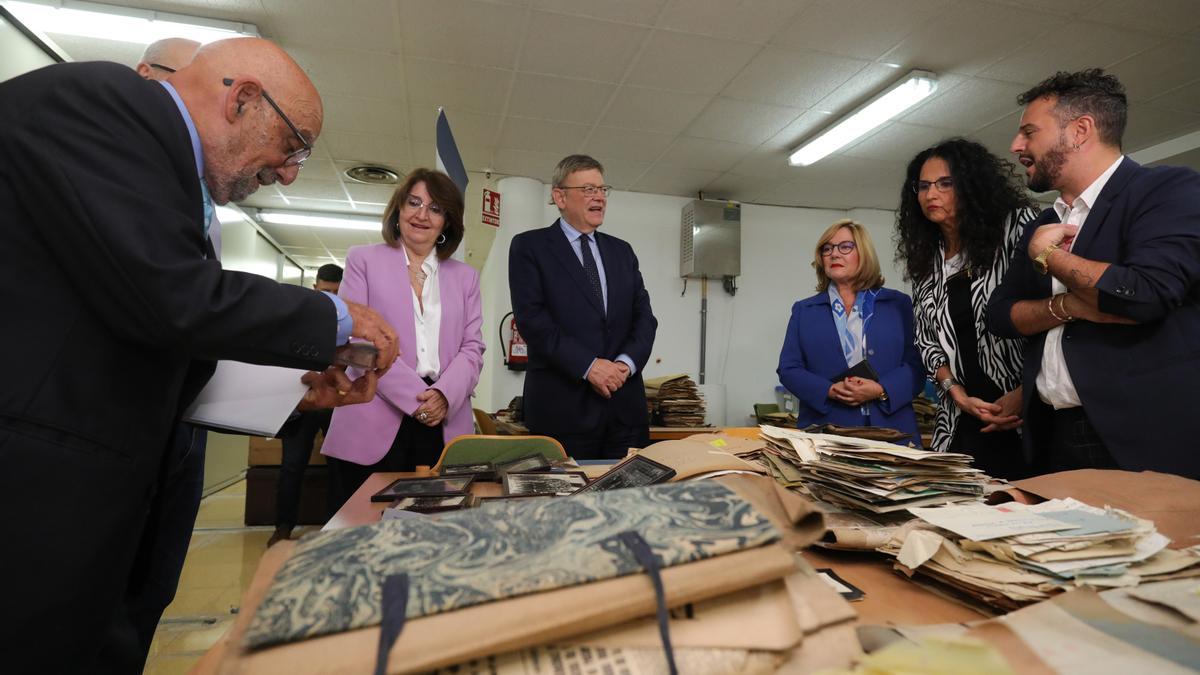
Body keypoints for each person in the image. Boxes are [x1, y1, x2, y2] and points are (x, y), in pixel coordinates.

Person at [0, 38, 400, 673]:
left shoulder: (179, 186)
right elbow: (169, 295)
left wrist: (293, 388)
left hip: (99, 503)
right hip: (32, 501)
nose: (291, 172)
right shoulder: (102, 102)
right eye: (293, 145)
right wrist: (335, 316)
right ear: (242, 99)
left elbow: (157, 340)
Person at [987, 68, 1200, 479]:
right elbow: (999, 315)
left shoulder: (1169, 189)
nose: (1016, 146)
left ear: (1080, 130)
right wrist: (1070, 306)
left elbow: (1146, 293)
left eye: (1029, 132)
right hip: (1052, 434)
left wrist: (1048, 256)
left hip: (1142, 440)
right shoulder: (1042, 222)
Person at [322, 169, 485, 509]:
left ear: (447, 222)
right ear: (398, 209)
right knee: (361, 538)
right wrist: (418, 401)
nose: (422, 214)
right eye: (414, 202)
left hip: (444, 421)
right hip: (373, 415)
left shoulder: (466, 277)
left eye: (436, 208)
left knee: (436, 535)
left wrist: (443, 395)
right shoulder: (363, 260)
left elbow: (473, 347)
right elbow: (356, 342)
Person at [895, 138, 1039, 477]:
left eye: (945, 184)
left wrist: (1025, 392)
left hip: (1022, 414)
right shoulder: (927, 259)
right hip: (960, 418)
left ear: (972, 185)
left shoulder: (1017, 229)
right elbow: (927, 342)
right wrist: (955, 392)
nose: (931, 195)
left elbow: (1050, 317)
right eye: (924, 186)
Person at [508, 154, 658, 460]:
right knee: (566, 506)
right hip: (563, 413)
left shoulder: (622, 251)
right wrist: (590, 366)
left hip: (625, 411)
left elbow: (644, 317)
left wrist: (624, 365)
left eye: (603, 190)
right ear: (560, 196)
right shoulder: (530, 247)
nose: (599, 198)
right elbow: (533, 321)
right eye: (589, 189)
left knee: (630, 503)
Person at [778, 220, 925, 445]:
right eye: (827, 249)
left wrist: (880, 389)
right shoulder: (804, 310)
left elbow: (916, 365)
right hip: (827, 431)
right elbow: (788, 369)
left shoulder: (898, 304)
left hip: (892, 430)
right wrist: (829, 390)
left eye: (845, 247)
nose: (834, 254)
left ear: (863, 253)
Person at [270, 263, 344, 547]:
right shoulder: (297, 317)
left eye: (338, 292)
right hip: (301, 402)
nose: (332, 298)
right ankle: (283, 528)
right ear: (315, 288)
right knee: (291, 466)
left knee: (339, 466)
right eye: (326, 291)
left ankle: (335, 528)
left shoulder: (351, 323)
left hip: (336, 403)